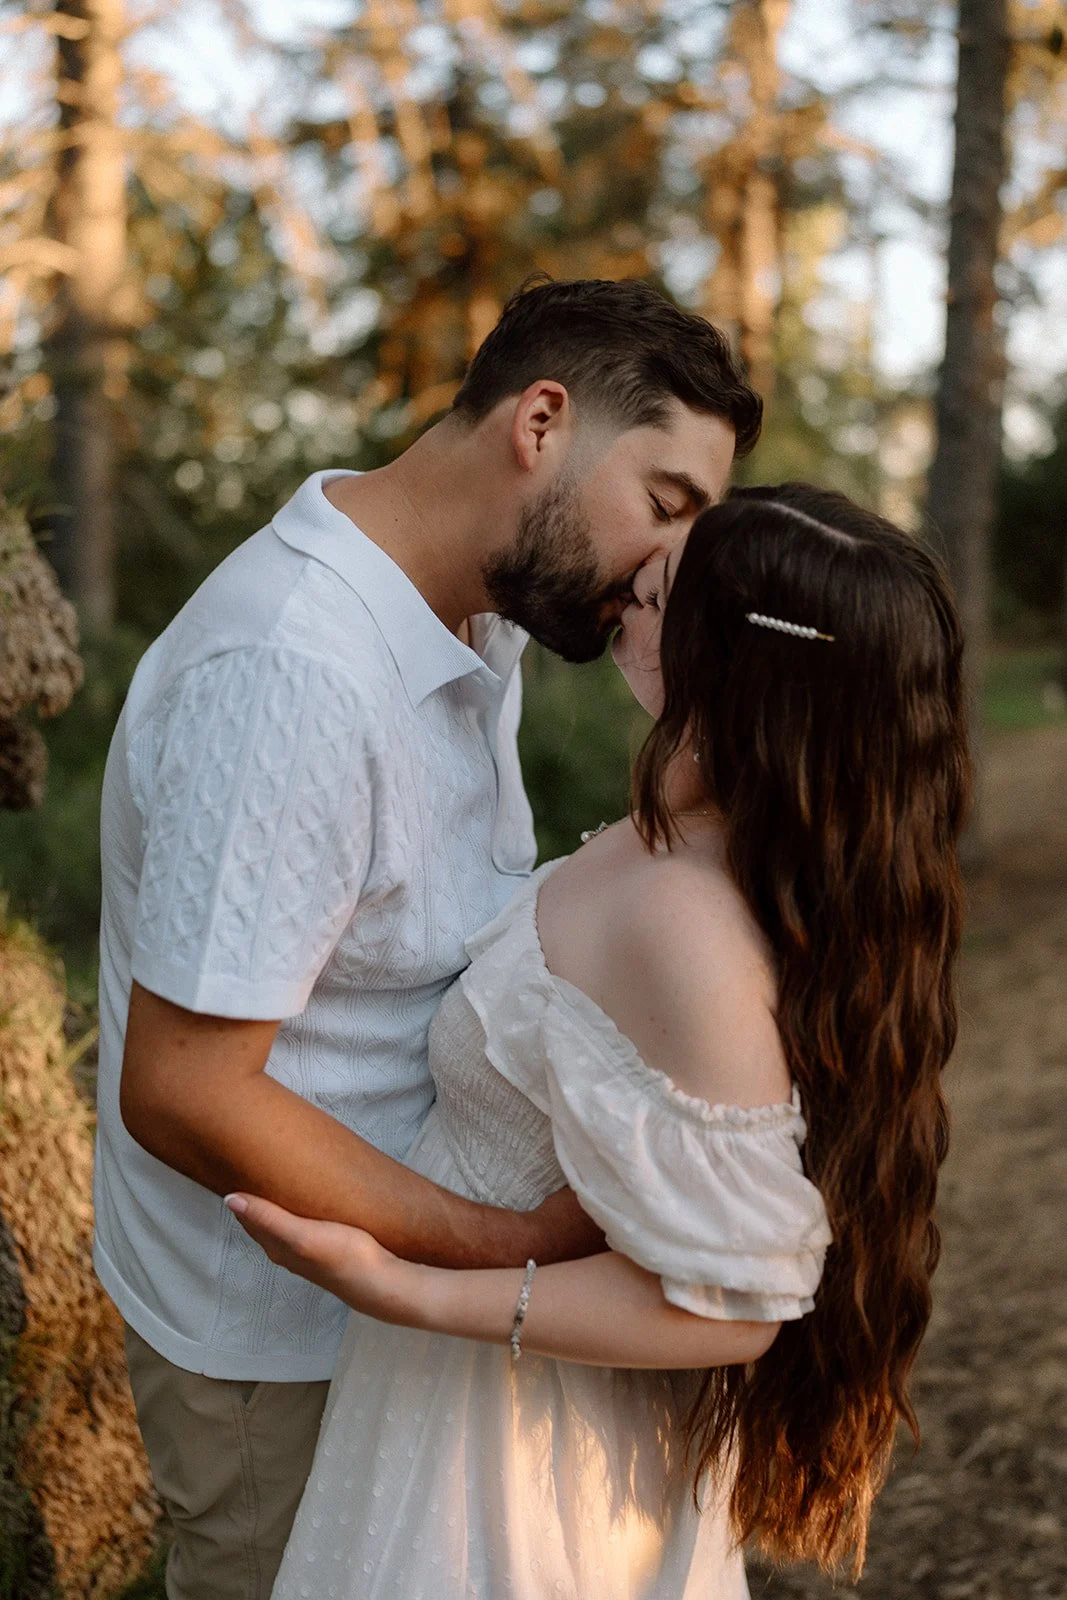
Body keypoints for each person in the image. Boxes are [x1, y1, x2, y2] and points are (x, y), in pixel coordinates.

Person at [94, 275, 761, 1599]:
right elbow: (182, 1089)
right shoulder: (294, 674)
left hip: (411, 1319)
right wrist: (511, 1251)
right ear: (541, 422)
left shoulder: (474, 613)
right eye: (665, 504)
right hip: (283, 1347)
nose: (664, 561)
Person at [228, 483, 971, 1598]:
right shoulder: (693, 829)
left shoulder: (687, 924)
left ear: (731, 665)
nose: (626, 590)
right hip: (462, 1382)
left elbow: (731, 1308)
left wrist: (405, 1289)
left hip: (514, 1448)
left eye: (660, 593)